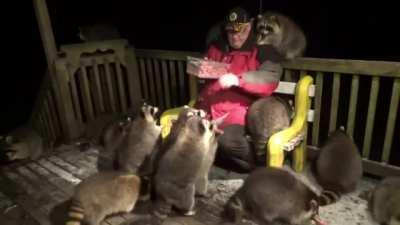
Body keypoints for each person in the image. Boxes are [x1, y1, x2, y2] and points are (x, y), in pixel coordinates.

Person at [195, 6, 285, 173]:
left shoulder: (263, 49)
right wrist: (201, 69)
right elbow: (204, 77)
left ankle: (255, 164)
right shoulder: (216, 48)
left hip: (238, 114)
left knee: (225, 140)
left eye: (241, 31)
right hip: (208, 109)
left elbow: (269, 79)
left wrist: (238, 79)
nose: (235, 36)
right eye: (231, 32)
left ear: (250, 26)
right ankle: (220, 159)